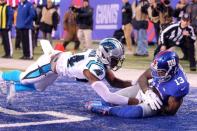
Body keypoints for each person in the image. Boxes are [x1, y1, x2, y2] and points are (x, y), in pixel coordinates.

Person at [0, 38, 136, 105]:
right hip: (49, 63)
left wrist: (137, 82)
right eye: (115, 59)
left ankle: (14, 88)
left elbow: (114, 82)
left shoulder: (99, 60)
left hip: (57, 68)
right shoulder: (93, 69)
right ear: (106, 56)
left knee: (39, 87)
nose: (116, 62)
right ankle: (1, 76)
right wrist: (135, 102)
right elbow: (108, 97)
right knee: (24, 78)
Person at [85, 51, 189, 118]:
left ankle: (109, 111)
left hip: (157, 102)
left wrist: (153, 103)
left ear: (171, 71)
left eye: (160, 72)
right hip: (148, 90)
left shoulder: (179, 86)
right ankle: (104, 104)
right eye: (155, 70)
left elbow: (169, 112)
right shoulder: (161, 67)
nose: (155, 73)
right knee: (107, 100)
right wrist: (147, 92)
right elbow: (143, 77)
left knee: (134, 113)